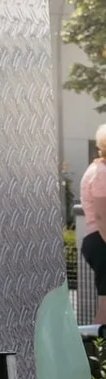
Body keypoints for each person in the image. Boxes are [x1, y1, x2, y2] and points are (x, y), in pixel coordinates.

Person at [81, 125, 106, 327]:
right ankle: (97, 355)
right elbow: (101, 217)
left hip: (97, 241)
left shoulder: (98, 169)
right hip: (101, 241)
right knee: (105, 310)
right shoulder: (102, 173)